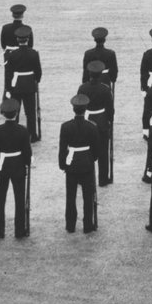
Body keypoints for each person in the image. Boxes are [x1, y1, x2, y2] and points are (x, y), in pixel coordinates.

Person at [0, 98, 32, 239]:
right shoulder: (23, 130)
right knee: (19, 200)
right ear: (17, 112)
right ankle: (20, 230)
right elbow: (27, 152)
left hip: (2, 166)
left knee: (0, 200)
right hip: (18, 166)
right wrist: (27, 163)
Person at [58, 94, 100, 234]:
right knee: (88, 197)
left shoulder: (65, 127)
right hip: (87, 163)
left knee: (70, 197)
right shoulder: (92, 127)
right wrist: (90, 159)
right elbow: (96, 150)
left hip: (72, 164)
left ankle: (70, 225)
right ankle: (88, 224)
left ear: (73, 109)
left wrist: (63, 165)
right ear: (85, 109)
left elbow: (62, 148)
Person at [79, 61, 115, 187]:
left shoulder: (83, 88)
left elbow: (79, 104)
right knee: (103, 151)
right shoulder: (105, 89)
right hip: (101, 120)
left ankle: (81, 176)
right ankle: (103, 178)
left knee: (85, 148)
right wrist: (110, 120)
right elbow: (110, 109)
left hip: (87, 119)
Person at [4, 26, 42, 143]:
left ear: (17, 40)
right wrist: (36, 80)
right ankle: (32, 135)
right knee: (30, 113)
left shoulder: (12, 54)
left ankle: (13, 134)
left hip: (16, 85)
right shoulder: (34, 53)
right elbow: (38, 71)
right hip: (29, 85)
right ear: (28, 39)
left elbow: (8, 73)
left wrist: (8, 88)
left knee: (16, 110)